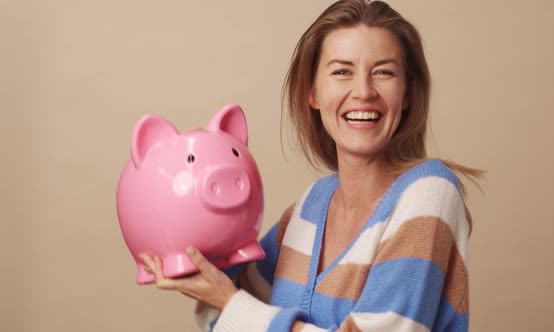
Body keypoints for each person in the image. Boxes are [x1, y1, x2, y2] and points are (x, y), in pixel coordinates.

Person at [140, 0, 484, 331]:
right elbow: (227, 307)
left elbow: (236, 309)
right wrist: (194, 174)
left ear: (407, 93)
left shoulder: (429, 194)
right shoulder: (312, 205)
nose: (363, 91)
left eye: (384, 72)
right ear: (313, 93)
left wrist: (231, 304)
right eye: (342, 71)